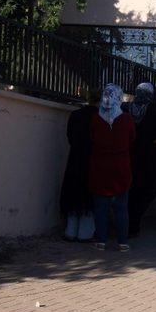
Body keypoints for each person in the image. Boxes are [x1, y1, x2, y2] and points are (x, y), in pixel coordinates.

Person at [89, 84, 135, 251]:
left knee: (100, 206)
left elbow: (92, 138)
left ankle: (101, 240)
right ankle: (123, 241)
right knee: (121, 207)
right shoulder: (127, 119)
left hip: (100, 166)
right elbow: (132, 139)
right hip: (121, 167)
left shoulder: (95, 118)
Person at [125, 82, 156, 237]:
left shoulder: (126, 109)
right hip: (149, 157)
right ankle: (133, 222)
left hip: (130, 155)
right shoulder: (155, 111)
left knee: (133, 190)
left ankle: (130, 222)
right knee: (149, 189)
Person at [60, 88, 101, 242]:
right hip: (92, 159)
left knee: (73, 192)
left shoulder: (75, 115)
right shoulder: (100, 117)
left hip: (75, 158)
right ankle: (85, 233)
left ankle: (70, 230)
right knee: (88, 196)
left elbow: (69, 136)